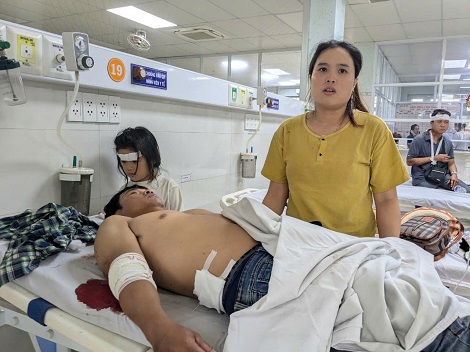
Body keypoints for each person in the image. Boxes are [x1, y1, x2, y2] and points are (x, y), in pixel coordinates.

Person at [95, 185, 470, 352]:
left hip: (293, 248)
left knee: (404, 291)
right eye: (134, 191)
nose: (146, 191)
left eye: (148, 188)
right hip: (253, 271)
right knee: (398, 310)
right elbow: (125, 270)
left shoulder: (186, 213)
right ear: (117, 207)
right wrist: (160, 332)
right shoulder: (118, 225)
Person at [261, 40, 409, 238]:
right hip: (296, 242)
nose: (331, 78)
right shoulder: (287, 131)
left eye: (342, 71)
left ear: (355, 81)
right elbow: (276, 195)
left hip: (353, 246)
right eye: (322, 69)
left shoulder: (374, 130)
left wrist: (390, 252)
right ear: (311, 77)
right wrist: (257, 237)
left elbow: (386, 201)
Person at [113, 126, 183, 211]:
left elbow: (180, 222)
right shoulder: (124, 192)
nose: (129, 167)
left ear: (152, 158)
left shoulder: (169, 188)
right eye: (124, 161)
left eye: (135, 161)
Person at [407, 109, 470, 192]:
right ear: (431, 123)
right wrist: (433, 158)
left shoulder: (447, 142)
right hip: (422, 178)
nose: (443, 125)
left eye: (446, 122)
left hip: (441, 175)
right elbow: (410, 162)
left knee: (466, 190)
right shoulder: (419, 140)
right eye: (439, 122)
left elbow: (451, 163)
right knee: (432, 194)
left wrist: (454, 174)